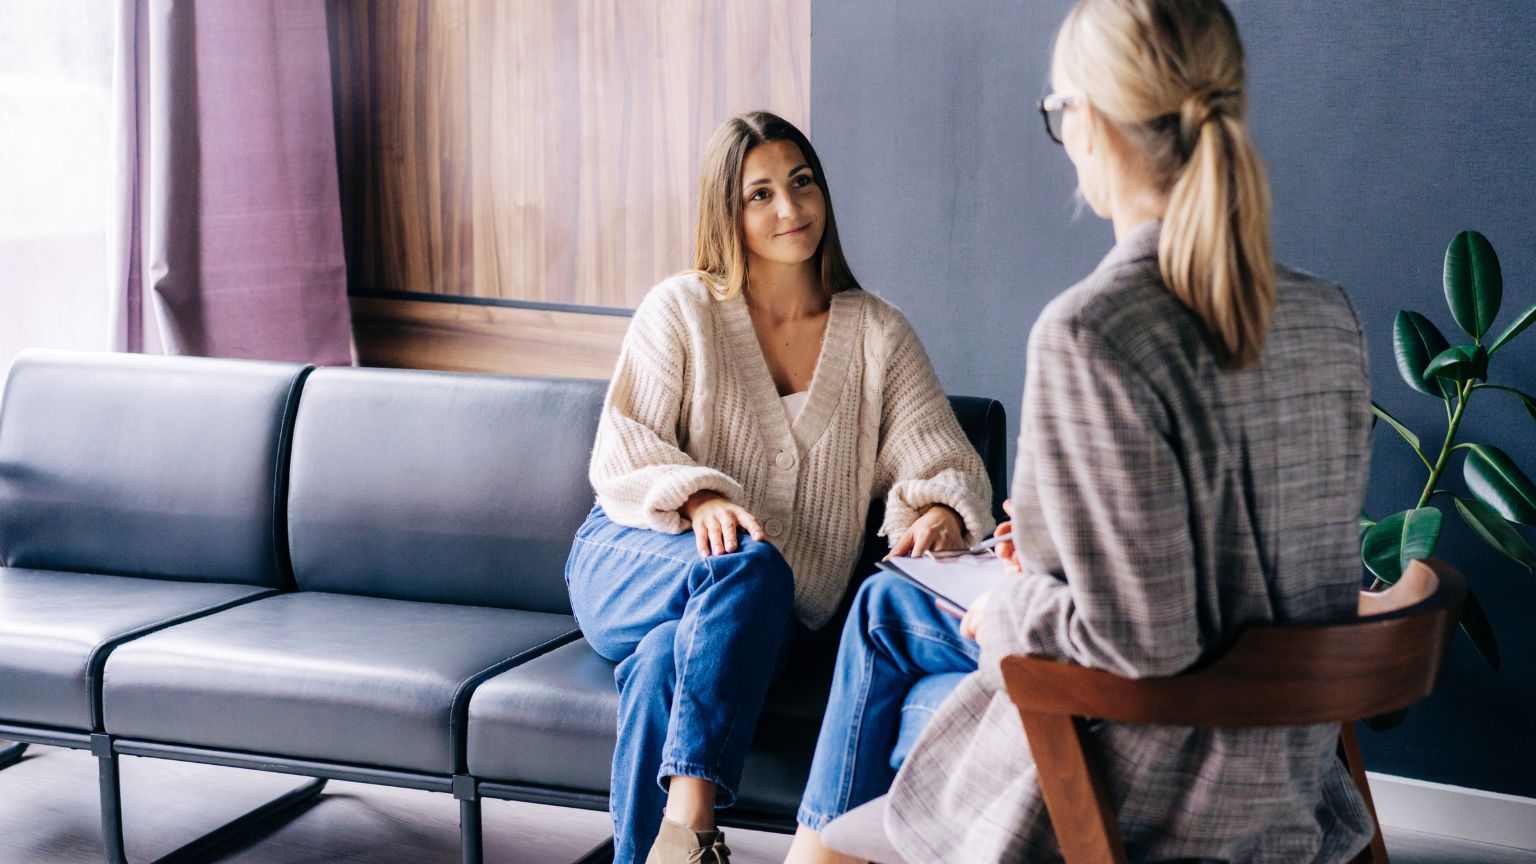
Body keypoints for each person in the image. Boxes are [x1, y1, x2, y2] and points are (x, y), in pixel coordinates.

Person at [787, 0, 1376, 861]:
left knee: (830, 850)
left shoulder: (1093, 331)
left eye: (1058, 113)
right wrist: (1062, 550)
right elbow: (1265, 561)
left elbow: (1141, 639)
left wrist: (1014, 606)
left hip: (1145, 789)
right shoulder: (1329, 318)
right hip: (1287, 784)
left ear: (1091, 122)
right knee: (894, 612)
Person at [566, 110, 995, 864]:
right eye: (758, 194)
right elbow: (622, 447)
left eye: (800, 184)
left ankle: (660, 852)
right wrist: (699, 496)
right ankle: (694, 826)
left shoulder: (877, 335)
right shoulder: (683, 308)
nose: (789, 210)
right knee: (749, 563)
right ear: (726, 212)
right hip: (638, 559)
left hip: (775, 614)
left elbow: (943, 460)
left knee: (671, 659)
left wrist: (934, 508)